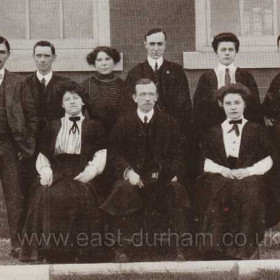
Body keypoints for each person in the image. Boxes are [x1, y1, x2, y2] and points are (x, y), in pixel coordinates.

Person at [100, 78, 191, 262]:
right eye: (142, 94)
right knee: (122, 190)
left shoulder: (170, 123)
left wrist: (172, 174)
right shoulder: (123, 123)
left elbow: (180, 154)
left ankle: (178, 247)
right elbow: (114, 155)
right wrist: (128, 172)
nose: (147, 98)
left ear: (157, 97)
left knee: (176, 191)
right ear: (134, 97)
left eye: (151, 94)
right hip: (133, 178)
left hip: (162, 179)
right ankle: (122, 247)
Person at [20, 81, 106, 263]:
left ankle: (81, 250)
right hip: (57, 171)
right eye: (67, 99)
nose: (72, 102)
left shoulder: (94, 126)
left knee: (82, 196)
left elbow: (101, 153)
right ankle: (53, 250)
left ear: (83, 102)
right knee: (47, 194)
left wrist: (91, 171)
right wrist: (45, 170)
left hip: (82, 170)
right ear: (62, 104)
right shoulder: (52, 126)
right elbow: (43, 153)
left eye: (76, 98)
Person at [195, 83, 273, 260]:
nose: (233, 107)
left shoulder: (258, 130)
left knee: (250, 189)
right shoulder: (212, 132)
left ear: (244, 104)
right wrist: (222, 170)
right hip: (221, 176)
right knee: (217, 189)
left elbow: (269, 159)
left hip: (250, 176)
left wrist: (248, 171)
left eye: (237, 103)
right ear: (221, 105)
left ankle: (244, 250)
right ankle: (215, 248)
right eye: (228, 103)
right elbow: (205, 161)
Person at [20, 40, 70, 229]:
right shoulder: (23, 83)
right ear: (33, 57)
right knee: (28, 188)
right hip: (28, 146)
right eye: (38, 56)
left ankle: (52, 236)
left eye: (46, 56)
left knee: (52, 189)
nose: (42, 60)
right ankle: (30, 238)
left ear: (54, 58)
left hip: (54, 144)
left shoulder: (64, 84)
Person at [0, 36, 38, 257]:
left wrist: (24, 144)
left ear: (8, 55)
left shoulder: (18, 82)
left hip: (9, 147)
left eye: (1, 52)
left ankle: (17, 244)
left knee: (14, 198)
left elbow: (32, 117)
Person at [193, 32, 264, 136]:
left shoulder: (246, 76)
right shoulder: (207, 77)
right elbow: (199, 109)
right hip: (214, 131)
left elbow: (254, 107)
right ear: (216, 52)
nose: (227, 53)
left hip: (242, 131)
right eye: (223, 50)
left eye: (231, 50)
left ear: (236, 52)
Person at [124, 28, 192, 136]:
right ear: (145, 44)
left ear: (165, 44)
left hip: (171, 129)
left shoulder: (176, 71)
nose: (156, 48)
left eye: (160, 44)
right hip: (144, 129)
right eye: (152, 44)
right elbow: (128, 105)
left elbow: (184, 105)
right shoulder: (135, 72)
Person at [82, 46, 133, 140]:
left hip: (119, 136)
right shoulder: (86, 85)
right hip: (94, 136)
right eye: (99, 60)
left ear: (114, 61)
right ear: (94, 63)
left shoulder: (123, 85)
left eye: (107, 59)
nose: (104, 63)